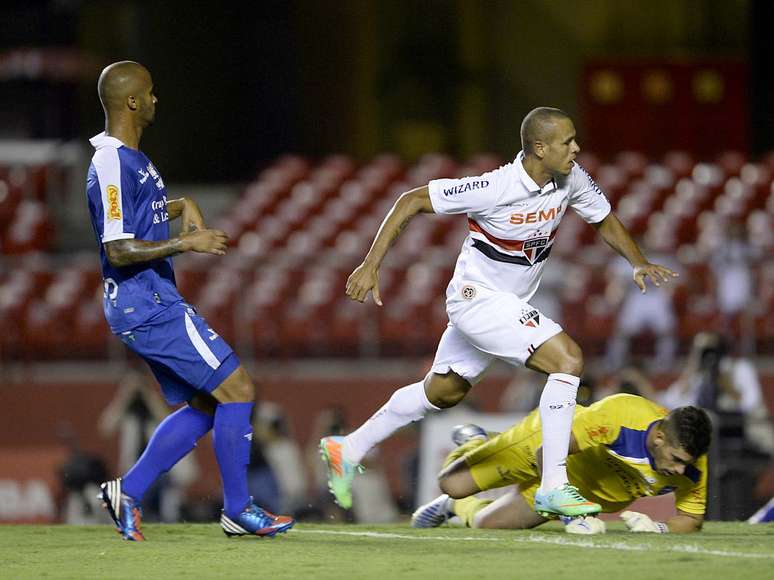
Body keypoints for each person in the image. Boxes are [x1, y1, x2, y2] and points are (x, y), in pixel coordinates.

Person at [320, 107, 677, 517]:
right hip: (476, 299)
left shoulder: (571, 178)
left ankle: (347, 447)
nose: (576, 148)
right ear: (540, 148)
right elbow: (411, 200)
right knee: (568, 359)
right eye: (567, 142)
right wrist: (371, 264)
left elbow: (605, 219)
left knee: (442, 392)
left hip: (506, 305)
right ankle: (554, 484)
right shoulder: (494, 186)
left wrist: (636, 261)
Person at [86, 61, 293, 541]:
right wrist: (186, 243)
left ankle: (128, 490)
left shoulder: (133, 159)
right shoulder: (112, 162)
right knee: (238, 388)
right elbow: (118, 248)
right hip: (146, 302)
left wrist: (185, 208)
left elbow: (146, 214)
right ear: (132, 101)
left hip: (150, 299)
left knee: (209, 402)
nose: (157, 100)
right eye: (151, 93)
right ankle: (238, 509)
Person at [412, 394, 710, 535]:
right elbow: (550, 451)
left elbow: (691, 521)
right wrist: (569, 517)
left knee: (486, 525)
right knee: (452, 484)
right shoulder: (620, 416)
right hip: (545, 443)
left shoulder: (693, 465)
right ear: (658, 438)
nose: (682, 471)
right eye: (677, 460)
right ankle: (476, 442)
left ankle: (450, 509)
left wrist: (658, 528)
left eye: (688, 463)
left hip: (581, 490)